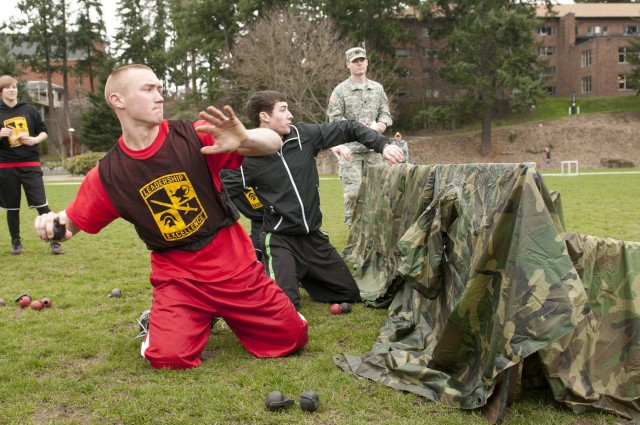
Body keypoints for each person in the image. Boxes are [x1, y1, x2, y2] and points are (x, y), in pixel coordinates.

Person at [33, 65, 308, 370]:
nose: (159, 97)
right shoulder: (109, 175)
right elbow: (70, 223)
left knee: (292, 339)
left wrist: (244, 138)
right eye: (148, 89)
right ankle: (165, 321)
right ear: (118, 100)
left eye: (159, 89)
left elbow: (273, 143)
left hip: (234, 266)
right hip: (179, 279)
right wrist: (52, 225)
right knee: (167, 358)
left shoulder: (195, 133)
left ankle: (237, 313)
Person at [221, 90, 404, 310]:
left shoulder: (304, 135)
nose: (290, 115)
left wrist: (383, 146)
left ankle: (302, 273)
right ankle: (283, 273)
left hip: (313, 238)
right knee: (285, 306)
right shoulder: (246, 154)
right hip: (280, 240)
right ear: (265, 116)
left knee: (349, 293)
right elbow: (229, 187)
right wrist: (262, 214)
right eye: (283, 109)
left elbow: (349, 127)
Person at [327, 47, 393, 225]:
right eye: (355, 61)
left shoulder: (377, 89)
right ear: (348, 64)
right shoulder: (340, 91)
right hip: (351, 152)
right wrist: (354, 129)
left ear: (367, 62)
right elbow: (334, 120)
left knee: (378, 196)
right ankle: (354, 237)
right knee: (353, 195)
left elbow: (385, 113)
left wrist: (383, 123)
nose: (359, 63)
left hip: (374, 151)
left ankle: (374, 237)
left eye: (362, 60)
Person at [0, 75, 61, 255]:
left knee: (42, 205)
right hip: (6, 167)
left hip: (30, 164)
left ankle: (55, 240)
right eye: (8, 87)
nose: (12, 90)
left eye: (14, 87)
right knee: (12, 208)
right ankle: (16, 242)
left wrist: (34, 139)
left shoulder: (30, 110)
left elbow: (44, 132)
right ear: (1, 91)